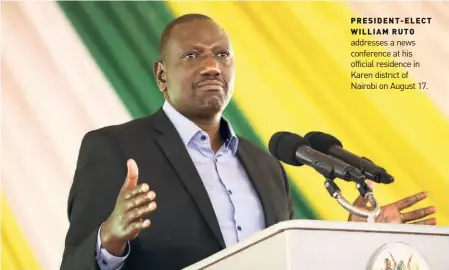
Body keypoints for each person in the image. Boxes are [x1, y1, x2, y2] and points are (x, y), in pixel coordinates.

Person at [59, 13, 437, 270]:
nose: (212, 66)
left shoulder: (267, 165)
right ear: (161, 74)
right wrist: (108, 240)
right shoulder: (114, 149)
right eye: (192, 55)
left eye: (222, 55)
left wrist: (351, 238)